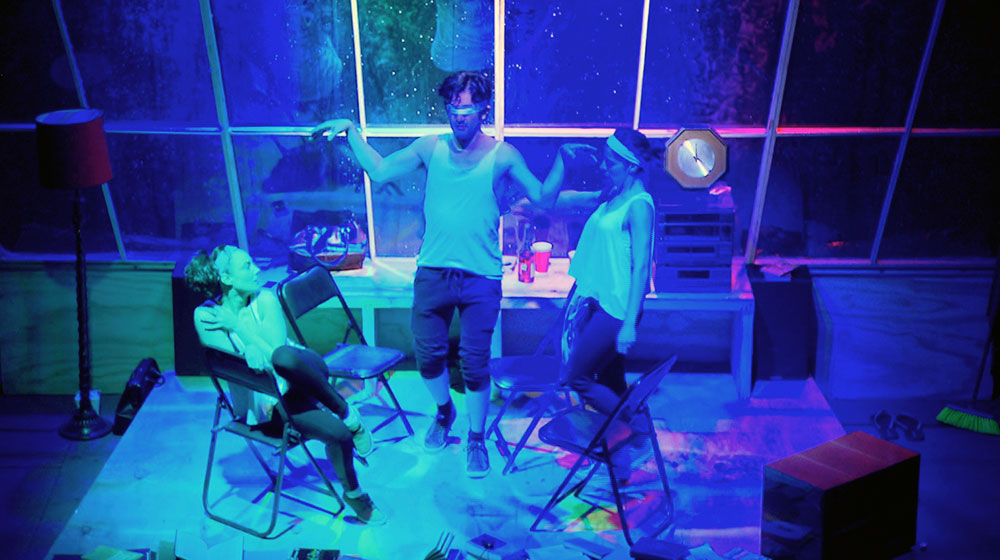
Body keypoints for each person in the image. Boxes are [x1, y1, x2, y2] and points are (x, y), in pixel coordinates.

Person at [311, 70, 582, 478]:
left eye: (466, 108)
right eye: (452, 107)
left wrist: (562, 159)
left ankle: (476, 438)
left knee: (474, 363)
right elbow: (380, 171)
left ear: (484, 110)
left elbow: (543, 199)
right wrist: (352, 131)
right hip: (434, 272)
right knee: (427, 357)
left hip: (480, 278)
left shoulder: (503, 155)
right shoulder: (430, 147)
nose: (458, 116)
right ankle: (443, 412)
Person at [184, 244, 386, 524]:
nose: (257, 270)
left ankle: (347, 412)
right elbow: (235, 370)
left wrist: (240, 330)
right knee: (339, 435)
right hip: (272, 405)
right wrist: (247, 350)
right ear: (227, 278)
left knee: (283, 357)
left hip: (304, 375)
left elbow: (277, 359)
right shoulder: (206, 316)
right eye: (247, 266)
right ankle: (354, 494)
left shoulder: (265, 299)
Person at [558, 128, 657, 417]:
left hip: (618, 307)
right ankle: (617, 436)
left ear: (631, 166)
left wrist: (629, 324)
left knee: (578, 377)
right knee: (610, 378)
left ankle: (628, 425)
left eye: (610, 163)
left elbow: (641, 267)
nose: (604, 167)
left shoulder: (639, 206)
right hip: (601, 299)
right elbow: (572, 200)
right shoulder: (615, 195)